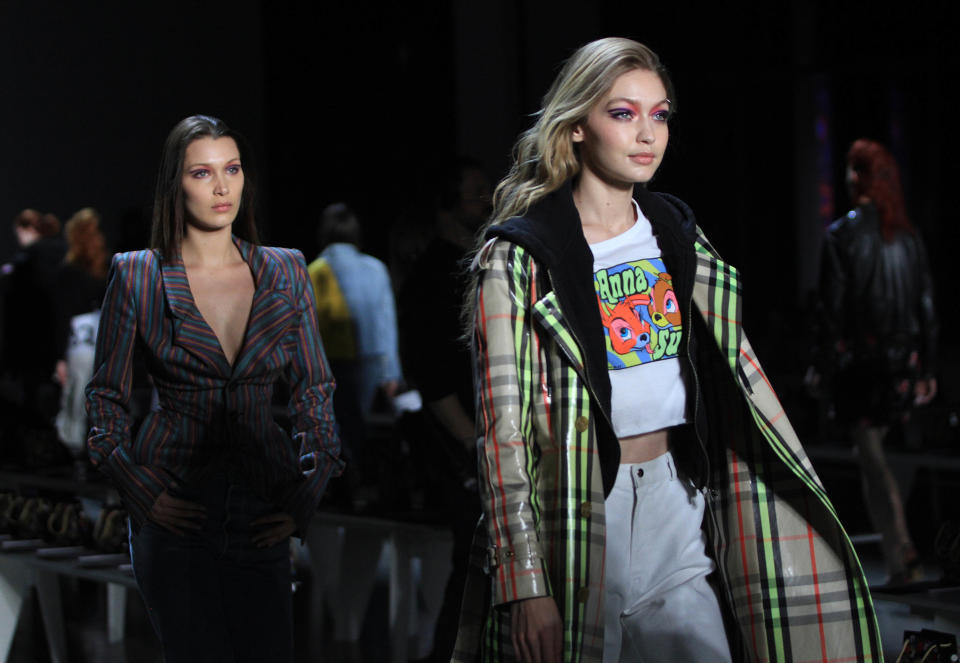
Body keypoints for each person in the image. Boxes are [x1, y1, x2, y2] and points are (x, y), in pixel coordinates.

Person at [452, 38, 882, 663]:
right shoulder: (520, 255)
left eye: (659, 114)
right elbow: (503, 433)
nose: (646, 133)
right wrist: (523, 582)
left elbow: (729, 376)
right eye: (623, 113)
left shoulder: (678, 234)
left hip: (677, 500)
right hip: (577, 510)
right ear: (576, 128)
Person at [85, 114, 342, 663]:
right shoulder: (139, 275)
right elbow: (105, 406)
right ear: (174, 185)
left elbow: (315, 393)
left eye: (232, 169)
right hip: (176, 506)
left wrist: (304, 495)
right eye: (202, 173)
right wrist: (144, 493)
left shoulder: (285, 270)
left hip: (262, 505)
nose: (222, 187)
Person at [815, 138, 938, 585]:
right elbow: (926, 306)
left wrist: (824, 366)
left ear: (861, 177)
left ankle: (902, 549)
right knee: (875, 455)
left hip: (863, 365)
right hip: (902, 363)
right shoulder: (905, 234)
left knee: (870, 454)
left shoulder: (843, 235)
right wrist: (925, 368)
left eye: (853, 168)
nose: (848, 176)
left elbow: (832, 310)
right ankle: (896, 551)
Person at [398, 157, 489, 661]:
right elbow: (433, 380)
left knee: (481, 567)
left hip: (479, 443)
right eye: (475, 191)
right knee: (474, 566)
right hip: (465, 451)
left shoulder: (473, 264)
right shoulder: (434, 276)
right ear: (448, 204)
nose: (488, 198)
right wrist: (475, 443)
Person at [54, 207, 109, 455]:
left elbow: (62, 316)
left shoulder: (70, 272)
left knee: (77, 399)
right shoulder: (107, 268)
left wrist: (59, 357)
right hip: (102, 339)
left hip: (81, 342)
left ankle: (76, 453)